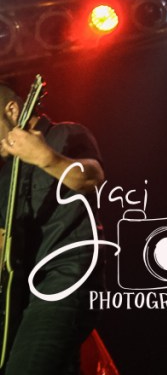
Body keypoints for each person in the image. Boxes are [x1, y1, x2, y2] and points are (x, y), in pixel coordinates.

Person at [0, 82, 104, 375]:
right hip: (22, 296)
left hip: (64, 280)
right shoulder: (5, 175)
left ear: (12, 110)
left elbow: (92, 177)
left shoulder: (65, 134)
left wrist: (45, 158)